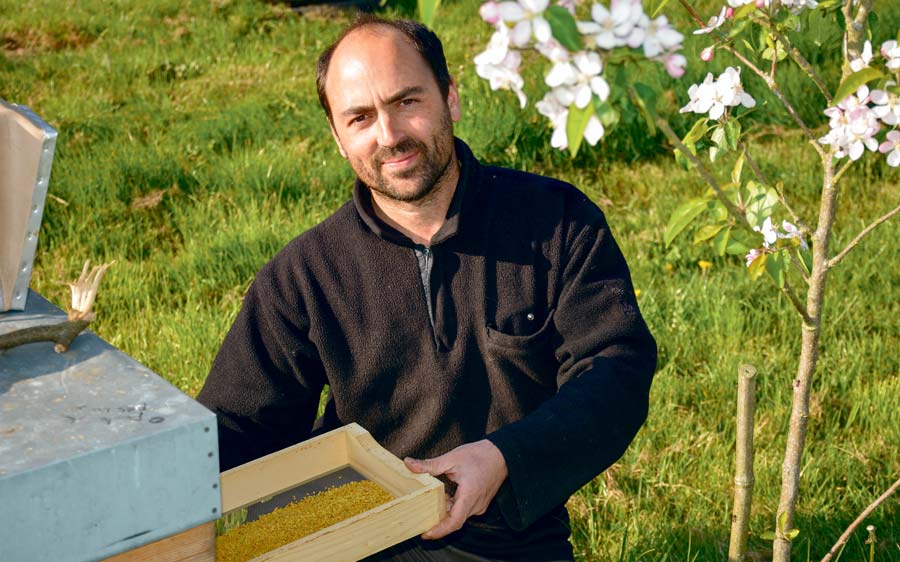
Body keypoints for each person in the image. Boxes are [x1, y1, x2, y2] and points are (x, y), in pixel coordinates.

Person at [197, 14, 657, 562]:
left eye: (406, 102)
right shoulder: (304, 275)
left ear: (451, 99)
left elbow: (615, 371)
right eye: (361, 117)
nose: (389, 136)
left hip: (510, 532)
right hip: (355, 536)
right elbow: (238, 425)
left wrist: (505, 457)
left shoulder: (556, 222)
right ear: (338, 138)